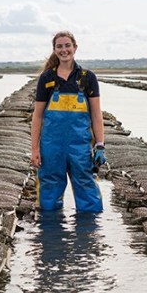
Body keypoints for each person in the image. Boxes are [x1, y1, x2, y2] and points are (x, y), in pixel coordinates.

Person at [30, 31, 106, 213]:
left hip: (80, 146)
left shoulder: (88, 78)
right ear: (54, 50)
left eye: (67, 45)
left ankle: (89, 236)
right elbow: (37, 116)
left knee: (87, 190)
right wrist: (35, 149)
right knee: (49, 193)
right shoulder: (47, 78)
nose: (64, 50)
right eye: (59, 46)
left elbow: (96, 115)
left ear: (75, 48)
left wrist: (100, 145)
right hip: (51, 146)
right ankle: (50, 235)